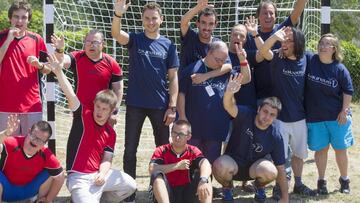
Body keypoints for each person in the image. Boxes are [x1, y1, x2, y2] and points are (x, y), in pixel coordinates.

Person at [47, 54, 136, 203]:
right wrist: (58, 72)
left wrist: (102, 174)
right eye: (98, 107)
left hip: (98, 175)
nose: (99, 112)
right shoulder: (83, 116)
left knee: (130, 185)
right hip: (79, 177)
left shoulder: (110, 133)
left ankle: (100, 198)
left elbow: (107, 159)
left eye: (104, 109)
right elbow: (70, 94)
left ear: (111, 111)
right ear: (93, 104)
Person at [212, 74, 288, 203]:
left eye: (272, 115)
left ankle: (259, 188)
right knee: (219, 165)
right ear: (258, 109)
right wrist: (229, 93)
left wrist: (285, 198)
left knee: (271, 171)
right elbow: (229, 107)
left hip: (254, 168)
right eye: (265, 111)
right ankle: (227, 189)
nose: (267, 116)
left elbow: (281, 168)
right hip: (233, 163)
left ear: (275, 118)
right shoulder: (246, 114)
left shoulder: (276, 135)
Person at [259, 26, 316, 198]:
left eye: (289, 40)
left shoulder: (307, 58)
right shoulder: (277, 57)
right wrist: (274, 37)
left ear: (298, 42)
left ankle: (298, 183)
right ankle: (279, 186)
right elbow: (263, 50)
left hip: (300, 117)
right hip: (280, 119)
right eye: (284, 39)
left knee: (299, 154)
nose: (285, 43)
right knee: (280, 157)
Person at [178, 41, 250, 165]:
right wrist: (183, 118)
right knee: (190, 163)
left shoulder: (225, 72)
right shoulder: (191, 70)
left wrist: (243, 60)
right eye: (218, 60)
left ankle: (206, 185)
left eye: (224, 60)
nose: (221, 63)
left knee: (210, 164)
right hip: (194, 128)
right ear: (209, 53)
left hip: (216, 129)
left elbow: (246, 79)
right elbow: (181, 94)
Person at [305, 34, 354, 195]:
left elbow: (348, 91)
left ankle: (344, 179)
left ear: (334, 49)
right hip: (315, 116)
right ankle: (321, 181)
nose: (323, 46)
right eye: (321, 43)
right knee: (321, 150)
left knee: (340, 149)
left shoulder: (339, 69)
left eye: (327, 44)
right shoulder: (310, 60)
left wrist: (344, 111)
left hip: (337, 117)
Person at [51, 29, 124, 125]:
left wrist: (114, 112)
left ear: (103, 44)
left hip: (103, 114)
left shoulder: (112, 63)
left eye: (95, 42)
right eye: (88, 42)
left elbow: (118, 89)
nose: (91, 45)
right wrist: (59, 49)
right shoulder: (77, 57)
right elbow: (61, 61)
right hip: (81, 113)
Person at [0, 0, 51, 134]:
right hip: (5, 104)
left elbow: (49, 69)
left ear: (28, 20)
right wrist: (8, 41)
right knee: (7, 149)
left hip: (32, 105)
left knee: (32, 147)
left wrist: (39, 65)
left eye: (24, 17)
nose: (20, 21)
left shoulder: (37, 39)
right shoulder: (1, 37)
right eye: (16, 16)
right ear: (10, 18)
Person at [245, 0, 308, 101]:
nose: (268, 16)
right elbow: (258, 57)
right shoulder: (250, 37)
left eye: (271, 13)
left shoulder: (282, 30)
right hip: (262, 96)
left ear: (276, 16)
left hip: (285, 96)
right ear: (258, 16)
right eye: (265, 13)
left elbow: (296, 13)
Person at [0, 115, 65, 202]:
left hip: (29, 191)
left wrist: (49, 199)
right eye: (34, 136)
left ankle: (39, 201)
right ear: (29, 131)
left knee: (52, 173)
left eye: (40, 140)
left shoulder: (46, 154)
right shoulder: (13, 142)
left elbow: (60, 177)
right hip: (5, 190)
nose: (35, 141)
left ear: (45, 143)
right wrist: (6, 133)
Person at [148, 120, 212, 203]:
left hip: (187, 193)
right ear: (171, 133)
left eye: (181, 134)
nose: (177, 137)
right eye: (174, 133)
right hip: (167, 193)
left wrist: (203, 180)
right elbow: (152, 169)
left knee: (206, 178)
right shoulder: (161, 150)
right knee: (156, 175)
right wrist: (176, 166)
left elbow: (205, 163)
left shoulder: (193, 150)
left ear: (188, 136)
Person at [180, 0, 232, 84]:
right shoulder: (190, 37)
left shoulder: (218, 44)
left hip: (206, 92)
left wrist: (205, 76)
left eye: (211, 24)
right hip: (185, 88)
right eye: (203, 23)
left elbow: (228, 66)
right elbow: (183, 22)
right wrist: (198, 8)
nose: (207, 27)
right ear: (197, 23)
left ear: (215, 25)